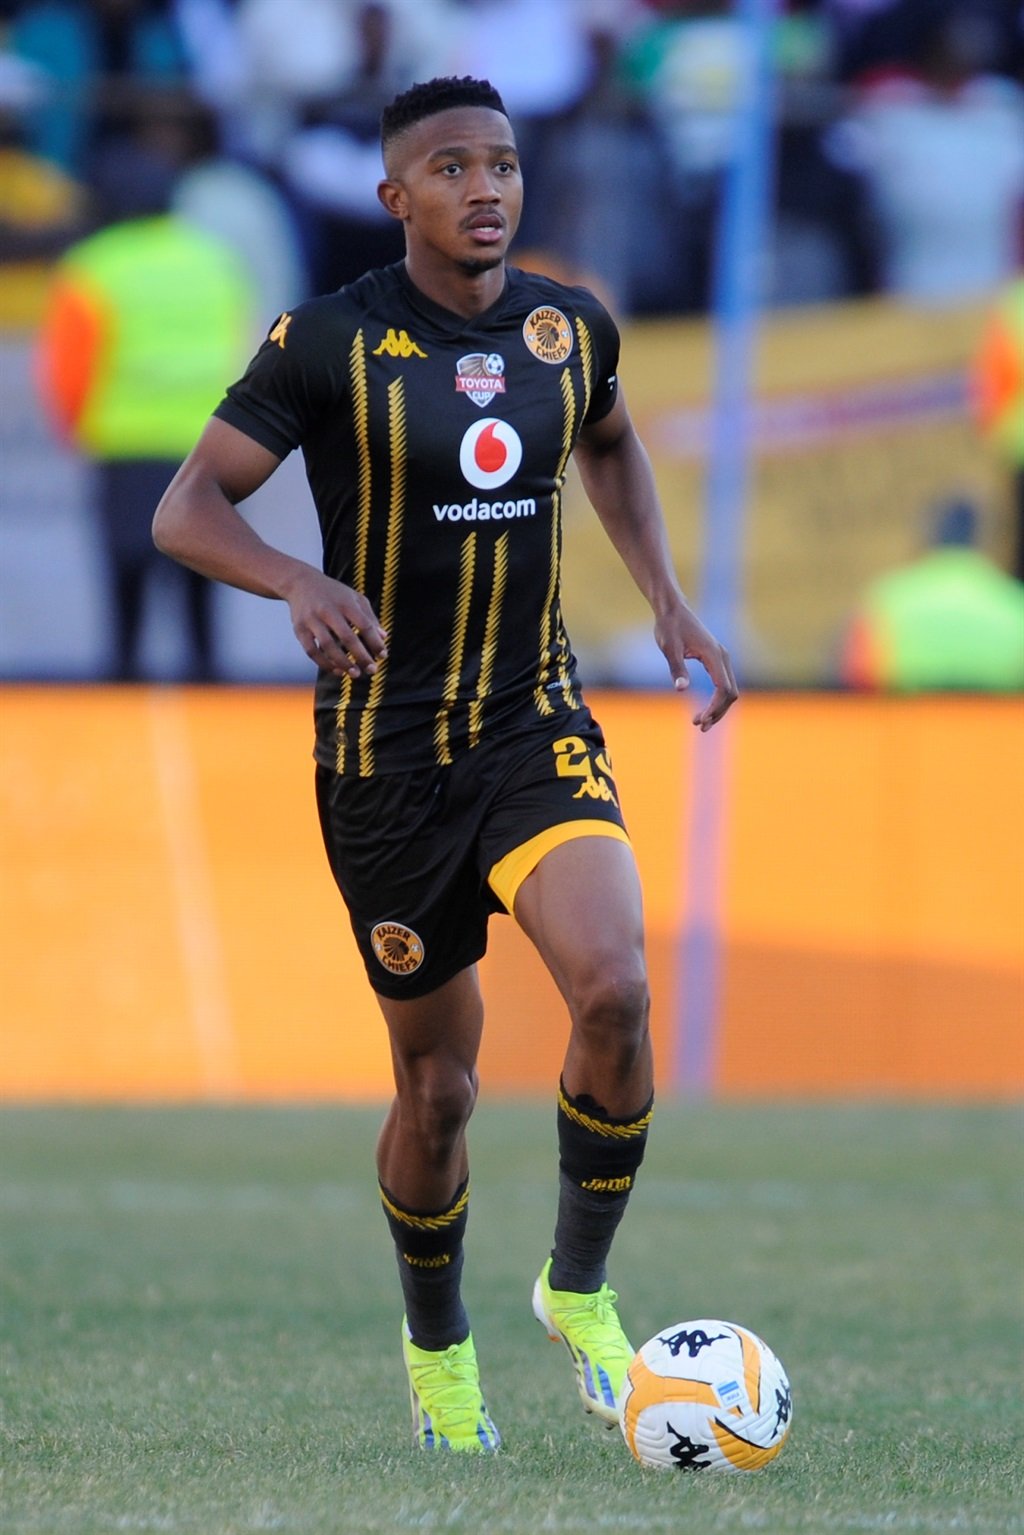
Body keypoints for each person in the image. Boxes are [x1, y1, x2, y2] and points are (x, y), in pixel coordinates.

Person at [152, 75, 737, 1452]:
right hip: (385, 763)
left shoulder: (565, 326)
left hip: (532, 726)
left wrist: (664, 598)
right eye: (456, 167)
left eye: (506, 164)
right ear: (395, 196)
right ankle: (440, 1351)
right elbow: (187, 507)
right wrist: (294, 577)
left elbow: (612, 445)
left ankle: (577, 1287)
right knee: (442, 1086)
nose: (488, 187)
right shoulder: (328, 344)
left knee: (617, 984)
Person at [36, 116, 255, 680]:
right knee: (205, 572)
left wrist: (78, 428)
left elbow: (66, 368)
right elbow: (246, 348)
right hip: (208, 446)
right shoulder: (215, 260)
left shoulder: (93, 266)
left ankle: (124, 680)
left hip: (125, 439)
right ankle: (209, 678)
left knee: (127, 575)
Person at [840, 497, 1024, 692]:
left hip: (901, 720)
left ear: (928, 535)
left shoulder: (886, 599)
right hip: (998, 721)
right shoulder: (1015, 604)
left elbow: (854, 678)